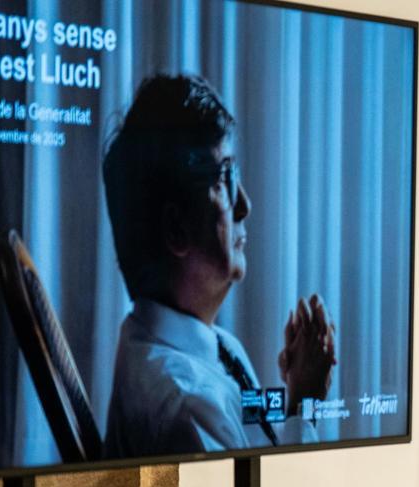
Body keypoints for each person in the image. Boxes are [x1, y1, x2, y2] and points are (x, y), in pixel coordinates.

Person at [101, 74, 335, 459]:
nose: (244, 205)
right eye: (225, 177)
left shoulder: (212, 348)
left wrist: (295, 395)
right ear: (177, 229)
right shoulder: (189, 404)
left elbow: (258, 458)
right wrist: (307, 405)